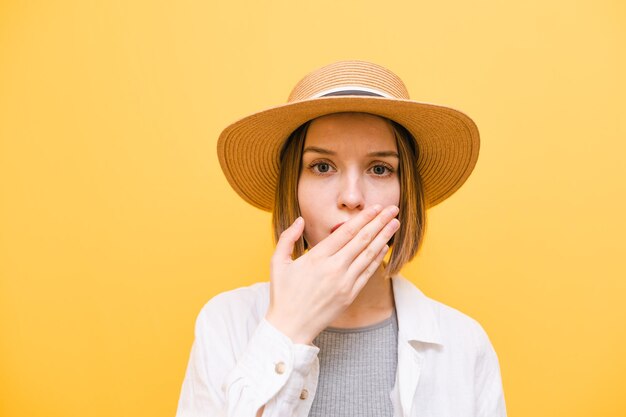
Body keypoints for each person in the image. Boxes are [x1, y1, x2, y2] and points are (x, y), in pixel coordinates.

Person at [176, 60, 507, 417]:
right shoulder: (225, 324)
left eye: (379, 169)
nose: (351, 197)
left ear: (404, 192)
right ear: (294, 188)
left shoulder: (465, 343)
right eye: (322, 166)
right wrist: (288, 328)